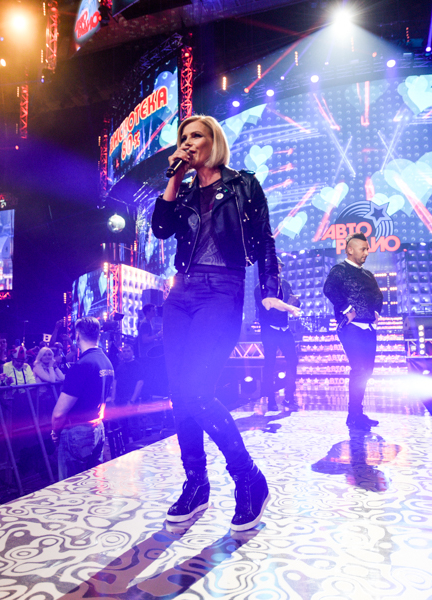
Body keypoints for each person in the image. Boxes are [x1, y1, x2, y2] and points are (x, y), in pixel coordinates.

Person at [152, 114, 299, 531]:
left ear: (213, 140)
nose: (187, 142)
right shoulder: (182, 191)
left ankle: (248, 478)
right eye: (183, 137)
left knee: (197, 390)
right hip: (181, 293)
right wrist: (174, 179)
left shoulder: (243, 184)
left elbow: (265, 239)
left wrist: (270, 289)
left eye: (195, 135)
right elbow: (160, 229)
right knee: (180, 394)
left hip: (223, 289)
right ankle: (196, 483)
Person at [323, 232, 384, 432]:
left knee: (367, 371)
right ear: (350, 250)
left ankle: (357, 414)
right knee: (359, 370)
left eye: (367, 249)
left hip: (369, 327)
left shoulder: (368, 274)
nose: (366, 252)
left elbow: (378, 296)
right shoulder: (339, 270)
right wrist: (347, 309)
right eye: (363, 249)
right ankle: (354, 415)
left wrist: (377, 312)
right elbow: (329, 289)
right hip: (351, 328)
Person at [51, 318, 114, 479]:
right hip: (98, 428)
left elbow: (58, 413)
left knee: (70, 487)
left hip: (77, 432)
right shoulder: (106, 362)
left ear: (77, 335)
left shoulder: (82, 365)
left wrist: (55, 432)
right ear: (98, 335)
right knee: (92, 484)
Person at [254, 256, 300, 412]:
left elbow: (292, 303)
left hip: (284, 329)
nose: (279, 268)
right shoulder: (260, 288)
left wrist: (294, 302)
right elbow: (268, 308)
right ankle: (271, 399)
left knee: (293, 360)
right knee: (270, 364)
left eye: (280, 266)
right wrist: (286, 306)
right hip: (269, 330)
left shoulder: (285, 284)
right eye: (276, 266)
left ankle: (289, 397)